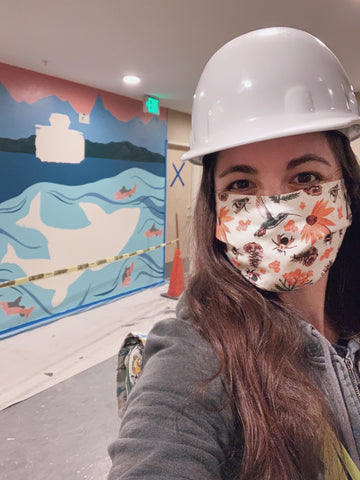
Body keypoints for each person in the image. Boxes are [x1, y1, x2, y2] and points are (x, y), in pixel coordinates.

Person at [108, 27, 360, 480]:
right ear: (219, 216)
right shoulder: (199, 356)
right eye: (242, 185)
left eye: (305, 177)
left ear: (345, 191)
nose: (275, 212)